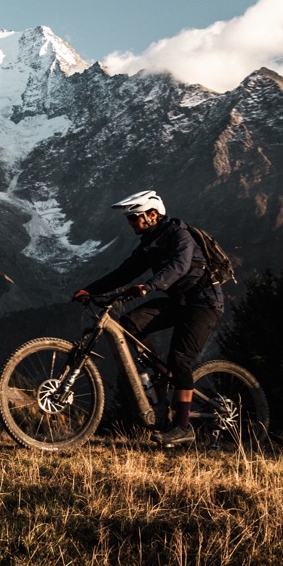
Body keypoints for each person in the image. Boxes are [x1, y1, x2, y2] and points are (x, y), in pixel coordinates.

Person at [72, 190, 225, 447]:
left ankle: (182, 427)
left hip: (203, 302)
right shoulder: (149, 243)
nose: (130, 223)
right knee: (128, 325)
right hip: (177, 302)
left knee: (180, 360)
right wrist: (90, 289)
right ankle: (160, 372)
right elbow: (124, 272)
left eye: (134, 218)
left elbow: (180, 265)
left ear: (153, 215)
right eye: (129, 219)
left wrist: (149, 286)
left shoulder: (180, 235)